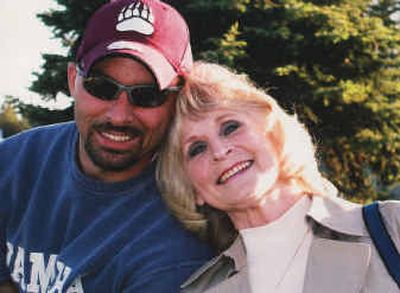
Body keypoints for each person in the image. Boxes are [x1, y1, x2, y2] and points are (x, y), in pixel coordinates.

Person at [0, 1, 213, 292]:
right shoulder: (13, 162)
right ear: (74, 80)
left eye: (147, 95)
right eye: (102, 87)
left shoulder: (177, 249)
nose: (119, 115)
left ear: (178, 101)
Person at [157, 61, 400, 292]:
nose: (220, 151)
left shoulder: (392, 228)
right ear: (191, 189)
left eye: (230, 127)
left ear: (273, 131)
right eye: (197, 148)